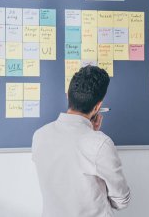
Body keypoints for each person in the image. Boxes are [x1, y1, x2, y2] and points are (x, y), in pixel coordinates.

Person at [32, 65, 130, 217]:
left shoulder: (40, 135)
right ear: (98, 106)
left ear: (67, 95)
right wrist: (93, 135)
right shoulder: (100, 144)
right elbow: (122, 200)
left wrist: (91, 134)